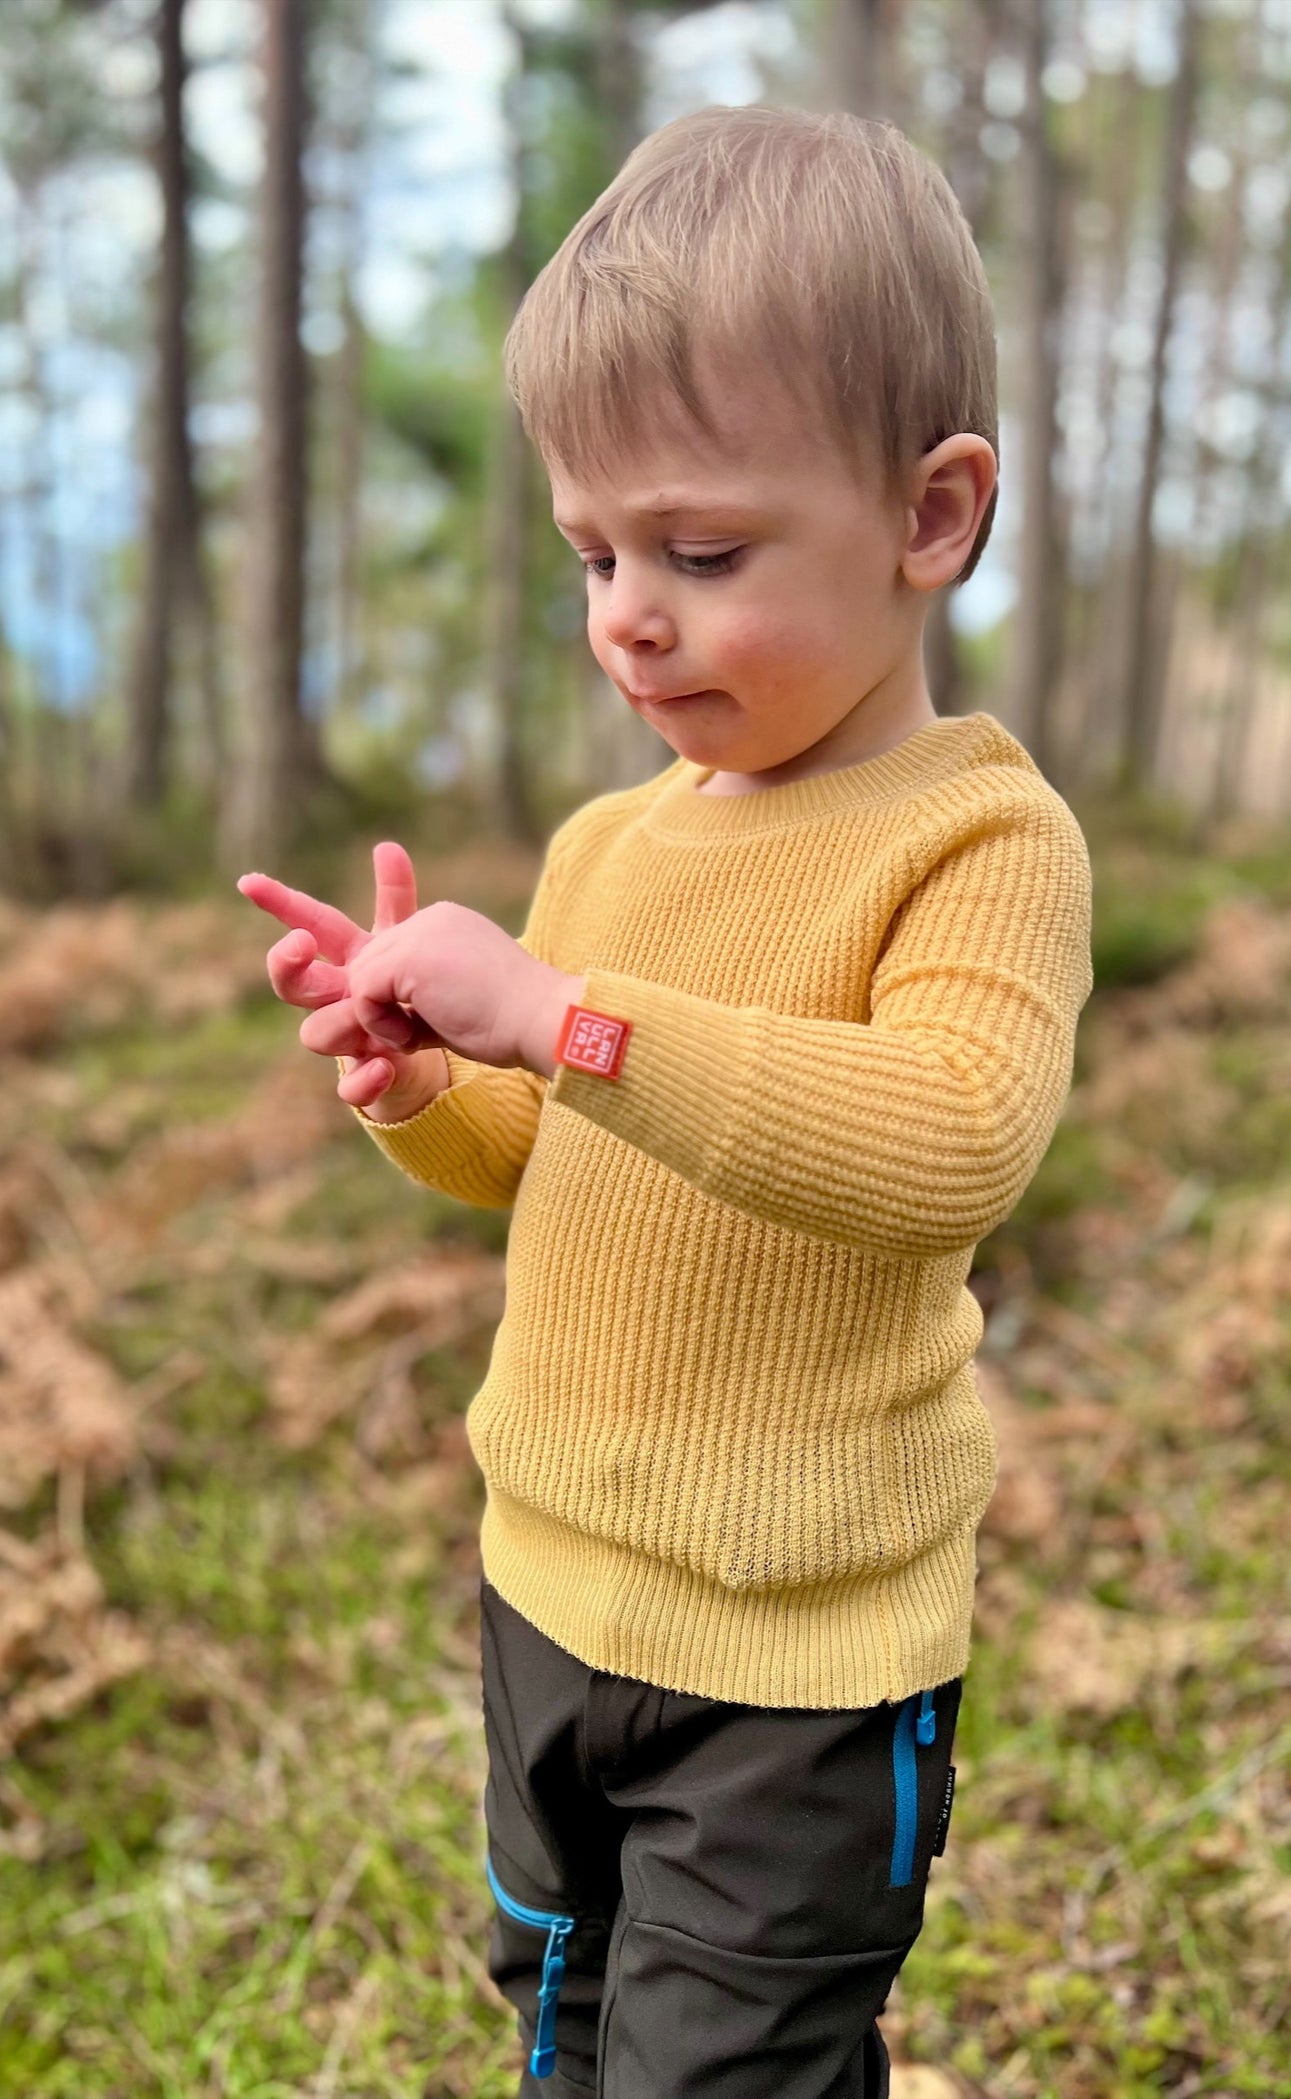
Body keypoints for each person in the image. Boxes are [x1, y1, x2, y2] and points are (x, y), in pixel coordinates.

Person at [238, 103, 1093, 2099]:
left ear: (929, 516)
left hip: (794, 1661)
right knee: (563, 2012)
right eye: (596, 551)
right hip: (550, 1577)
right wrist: (429, 1082)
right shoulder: (613, 844)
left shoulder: (977, 839)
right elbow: (538, 1162)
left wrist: (566, 1019)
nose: (631, 610)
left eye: (702, 552)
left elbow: (949, 1135)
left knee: (727, 2072)